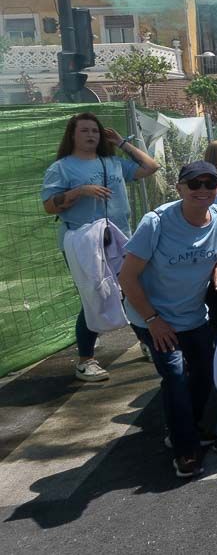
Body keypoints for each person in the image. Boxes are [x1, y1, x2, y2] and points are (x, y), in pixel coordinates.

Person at [117, 161, 217, 478]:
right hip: (151, 318)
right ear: (180, 188)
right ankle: (186, 448)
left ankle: (183, 428)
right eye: (194, 184)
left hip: (194, 316)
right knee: (176, 377)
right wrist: (153, 320)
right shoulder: (156, 223)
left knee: (204, 377)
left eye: (210, 183)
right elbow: (127, 278)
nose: (203, 190)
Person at [42, 113, 160, 380]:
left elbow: (151, 167)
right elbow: (49, 206)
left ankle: (147, 341)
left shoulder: (113, 162)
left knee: (130, 291)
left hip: (120, 238)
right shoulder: (61, 168)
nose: (91, 135)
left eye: (95, 130)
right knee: (94, 297)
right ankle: (85, 360)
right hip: (83, 242)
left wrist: (122, 144)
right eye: (84, 131)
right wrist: (79, 191)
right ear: (72, 135)